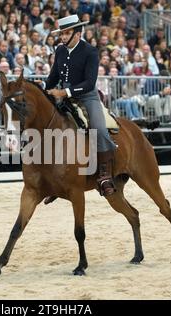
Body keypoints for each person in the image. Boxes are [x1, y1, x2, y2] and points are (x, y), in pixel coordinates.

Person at [43, 14, 117, 197]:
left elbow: (90, 83)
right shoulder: (59, 50)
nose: (62, 37)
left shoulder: (90, 51)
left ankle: (104, 175)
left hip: (87, 97)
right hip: (63, 95)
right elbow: (53, 77)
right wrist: (44, 89)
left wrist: (64, 93)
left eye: (66, 33)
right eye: (61, 33)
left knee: (99, 128)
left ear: (77, 33)